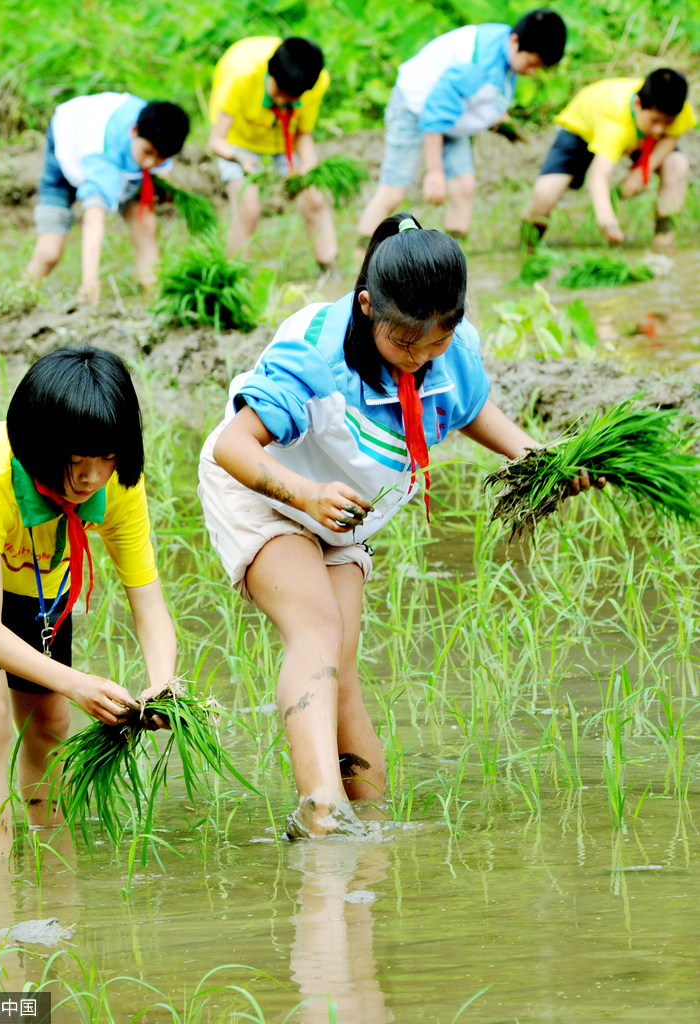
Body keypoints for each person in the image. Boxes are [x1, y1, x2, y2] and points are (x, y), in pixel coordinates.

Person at [198, 213, 596, 838]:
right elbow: (233, 446)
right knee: (317, 626)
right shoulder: (317, 348)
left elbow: (468, 409)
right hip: (265, 485)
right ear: (367, 307)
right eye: (405, 343)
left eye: (437, 342)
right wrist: (304, 493)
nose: (420, 359)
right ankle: (322, 811)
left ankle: (372, 829)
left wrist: (536, 457)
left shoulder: (446, 350)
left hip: (343, 509)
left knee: (343, 661)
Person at [0, 346, 177, 857]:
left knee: (51, 721)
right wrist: (79, 683)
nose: (90, 478)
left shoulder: (119, 485)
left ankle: (53, 874)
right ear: (38, 447)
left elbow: (148, 603)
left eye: (106, 457)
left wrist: (161, 686)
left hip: (37, 566)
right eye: (76, 461)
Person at [357, 10, 567, 243]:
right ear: (515, 41)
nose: (532, 71)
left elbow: (488, 93)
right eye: (532, 63)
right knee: (392, 193)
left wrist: (497, 120)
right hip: (414, 108)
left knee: (463, 186)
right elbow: (435, 114)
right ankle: (362, 257)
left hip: (454, 117)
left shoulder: (507, 43)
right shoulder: (476, 64)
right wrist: (434, 172)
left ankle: (454, 258)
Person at [26, 94, 190, 305]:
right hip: (67, 151)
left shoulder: (158, 131)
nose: (151, 162)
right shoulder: (102, 152)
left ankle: (154, 297)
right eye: (147, 152)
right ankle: (23, 296)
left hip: (122, 164)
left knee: (145, 223)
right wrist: (90, 280)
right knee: (50, 251)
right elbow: (94, 219)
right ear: (133, 131)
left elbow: (157, 165)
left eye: (160, 158)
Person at [208, 36, 338, 277]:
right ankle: (234, 278)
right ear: (271, 75)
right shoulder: (241, 74)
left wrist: (308, 166)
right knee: (248, 208)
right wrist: (240, 160)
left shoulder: (315, 81)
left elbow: (303, 134)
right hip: (238, 141)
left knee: (314, 198)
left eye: (292, 97)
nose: (281, 101)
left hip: (284, 135)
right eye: (279, 92)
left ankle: (330, 270)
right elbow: (217, 141)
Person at [523, 68, 695, 249]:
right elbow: (599, 175)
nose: (660, 129)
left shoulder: (676, 107)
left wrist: (641, 171)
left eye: (667, 122)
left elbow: (672, 135)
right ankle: (527, 248)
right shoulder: (615, 122)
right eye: (655, 121)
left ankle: (664, 244)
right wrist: (606, 219)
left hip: (639, 137)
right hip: (581, 133)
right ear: (638, 104)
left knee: (678, 164)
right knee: (544, 194)